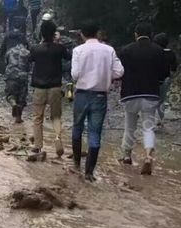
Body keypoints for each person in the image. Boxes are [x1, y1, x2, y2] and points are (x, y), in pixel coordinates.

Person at [71, 20, 124, 182]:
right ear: (97, 33)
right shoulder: (109, 50)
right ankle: (89, 173)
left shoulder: (78, 50)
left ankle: (76, 164)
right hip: (100, 96)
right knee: (95, 133)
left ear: (82, 34)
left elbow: (74, 74)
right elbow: (119, 71)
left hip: (81, 94)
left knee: (77, 128)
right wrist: (104, 75)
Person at [119, 23, 169, 175]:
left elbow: (120, 71)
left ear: (136, 34)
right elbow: (164, 74)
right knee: (148, 126)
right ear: (151, 34)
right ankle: (148, 156)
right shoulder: (159, 51)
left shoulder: (126, 50)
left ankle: (127, 156)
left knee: (130, 126)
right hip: (150, 94)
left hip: (130, 94)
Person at [29, 20, 71, 157]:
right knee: (56, 117)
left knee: (37, 117)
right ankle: (58, 140)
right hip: (55, 88)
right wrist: (58, 41)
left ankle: (38, 146)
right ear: (54, 34)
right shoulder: (59, 48)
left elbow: (30, 60)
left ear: (41, 33)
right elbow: (68, 57)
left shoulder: (35, 49)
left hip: (39, 88)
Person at [1, 19, 31, 123]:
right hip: (23, 76)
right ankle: (19, 118)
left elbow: (5, 60)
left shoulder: (10, 51)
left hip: (11, 74)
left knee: (10, 94)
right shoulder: (27, 52)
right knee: (22, 98)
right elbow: (29, 66)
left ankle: (13, 103)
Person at [153, 32, 178, 124]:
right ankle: (159, 118)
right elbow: (174, 68)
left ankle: (153, 119)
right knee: (162, 100)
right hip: (165, 80)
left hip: (153, 80)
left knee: (152, 99)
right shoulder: (171, 53)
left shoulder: (155, 52)